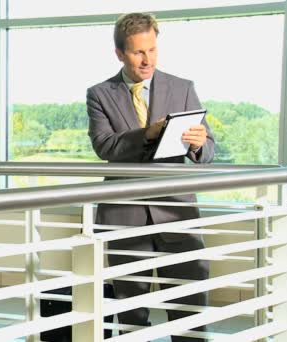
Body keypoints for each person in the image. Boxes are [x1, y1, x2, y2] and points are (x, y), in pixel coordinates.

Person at [86, 13, 215, 342]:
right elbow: (105, 146)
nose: (147, 60)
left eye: (153, 50)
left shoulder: (182, 87)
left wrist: (199, 146)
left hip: (176, 214)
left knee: (189, 311)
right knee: (131, 316)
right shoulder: (100, 94)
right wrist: (148, 133)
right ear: (119, 53)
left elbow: (209, 149)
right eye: (138, 53)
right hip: (124, 218)